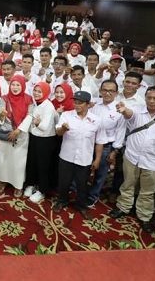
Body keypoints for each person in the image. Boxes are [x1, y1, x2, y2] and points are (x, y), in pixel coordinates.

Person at [109, 86, 155, 233]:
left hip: (153, 161)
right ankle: (123, 207)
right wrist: (123, 109)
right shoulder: (137, 109)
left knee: (147, 191)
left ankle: (144, 216)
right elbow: (128, 114)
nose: (151, 101)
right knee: (128, 184)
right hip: (132, 156)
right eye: (149, 98)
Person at [53, 91, 106, 220]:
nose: (77, 105)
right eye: (75, 102)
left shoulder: (96, 120)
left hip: (85, 158)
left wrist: (97, 159)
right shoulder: (66, 115)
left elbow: (99, 141)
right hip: (67, 156)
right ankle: (62, 201)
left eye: (80, 103)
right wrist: (63, 129)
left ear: (88, 104)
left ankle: (81, 206)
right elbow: (58, 132)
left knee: (82, 184)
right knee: (63, 182)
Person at [87, 80, 126, 206]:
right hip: (89, 142)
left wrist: (115, 151)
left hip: (106, 146)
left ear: (116, 93)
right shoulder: (93, 104)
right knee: (84, 168)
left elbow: (120, 131)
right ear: (100, 91)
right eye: (104, 90)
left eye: (111, 91)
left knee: (101, 173)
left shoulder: (119, 110)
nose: (107, 93)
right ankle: (78, 190)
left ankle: (93, 196)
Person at [0, 75, 34, 196]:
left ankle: (18, 184)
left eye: (18, 85)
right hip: (7, 133)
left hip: (21, 135)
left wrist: (18, 130)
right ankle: (3, 180)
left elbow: (30, 115)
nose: (15, 87)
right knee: (4, 159)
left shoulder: (28, 99)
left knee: (18, 161)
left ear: (22, 86)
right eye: (13, 85)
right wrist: (1, 115)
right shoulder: (4, 98)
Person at [23, 82, 58, 203]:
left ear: (46, 93)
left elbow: (44, 126)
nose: (36, 94)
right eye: (35, 91)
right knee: (32, 162)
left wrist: (37, 124)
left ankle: (42, 190)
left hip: (46, 140)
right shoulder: (36, 103)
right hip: (35, 137)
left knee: (43, 166)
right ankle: (31, 184)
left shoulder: (49, 106)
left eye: (40, 91)